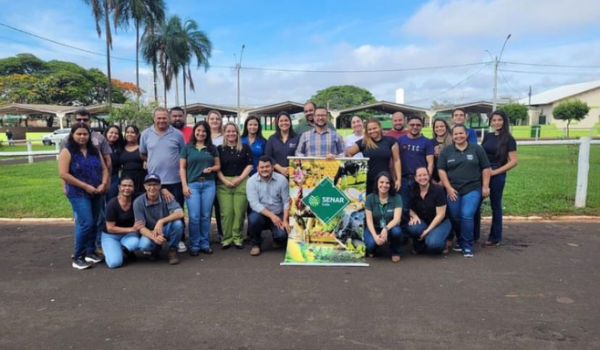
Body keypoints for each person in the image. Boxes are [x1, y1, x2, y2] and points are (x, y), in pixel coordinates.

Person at [58, 123, 109, 269]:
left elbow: (104, 169)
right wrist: (85, 186)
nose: (82, 137)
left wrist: (103, 184)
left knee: (94, 222)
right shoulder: (67, 151)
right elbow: (63, 174)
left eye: (85, 134)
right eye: (79, 134)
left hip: (96, 192)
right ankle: (78, 256)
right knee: (85, 223)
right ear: (72, 135)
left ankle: (90, 251)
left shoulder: (94, 151)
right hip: (78, 193)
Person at [438, 124, 491, 258]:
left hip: (472, 188)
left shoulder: (477, 149)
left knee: (466, 215)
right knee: (455, 217)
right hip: (453, 190)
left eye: (461, 133)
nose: (458, 136)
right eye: (455, 134)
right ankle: (461, 239)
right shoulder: (446, 151)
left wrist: (485, 186)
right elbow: (441, 170)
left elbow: (485, 168)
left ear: (466, 134)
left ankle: (467, 245)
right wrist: (448, 188)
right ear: (452, 136)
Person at [139, 107, 187, 252]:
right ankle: (155, 241)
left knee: (176, 212)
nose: (161, 121)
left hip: (175, 181)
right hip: (154, 182)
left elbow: (183, 155)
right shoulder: (146, 134)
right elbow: (143, 153)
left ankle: (179, 240)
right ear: (154, 118)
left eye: (164, 118)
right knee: (155, 213)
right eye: (158, 118)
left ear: (169, 118)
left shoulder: (177, 134)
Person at [180, 121, 221, 256]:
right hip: (193, 185)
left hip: (209, 184)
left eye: (204, 131)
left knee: (205, 216)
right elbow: (182, 168)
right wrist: (184, 185)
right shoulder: (187, 148)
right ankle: (194, 244)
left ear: (207, 133)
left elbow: (217, 166)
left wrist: (211, 169)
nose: (201, 133)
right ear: (194, 132)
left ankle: (204, 242)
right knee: (194, 216)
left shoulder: (212, 148)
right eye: (198, 130)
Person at [480, 110, 518, 247]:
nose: (496, 122)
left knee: (495, 205)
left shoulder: (508, 139)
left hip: (497, 172)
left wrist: (494, 173)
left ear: (504, 121)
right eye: (494, 120)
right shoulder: (488, 136)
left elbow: (513, 161)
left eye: (499, 120)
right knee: (475, 203)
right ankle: (472, 235)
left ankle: (495, 237)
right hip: (483, 171)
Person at [217, 122, 253, 249]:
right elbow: (217, 167)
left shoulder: (245, 148)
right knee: (227, 212)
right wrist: (225, 181)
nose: (231, 134)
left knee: (239, 211)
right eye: (228, 131)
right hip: (223, 183)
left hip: (241, 181)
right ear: (224, 133)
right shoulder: (219, 149)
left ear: (237, 133)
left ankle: (237, 237)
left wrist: (240, 178)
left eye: (234, 131)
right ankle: (227, 238)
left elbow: (250, 164)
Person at [134, 174, 184, 265]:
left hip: (165, 229)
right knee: (144, 246)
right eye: (149, 185)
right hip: (150, 231)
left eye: (155, 184)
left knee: (178, 224)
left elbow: (180, 213)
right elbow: (140, 227)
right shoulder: (138, 202)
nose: (152, 187)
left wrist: (161, 221)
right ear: (145, 186)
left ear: (160, 186)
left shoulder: (166, 196)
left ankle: (172, 251)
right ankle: (155, 249)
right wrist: (154, 237)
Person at [246, 156, 290, 256]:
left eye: (267, 167)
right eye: (262, 167)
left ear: (273, 167)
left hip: (278, 213)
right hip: (260, 214)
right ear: (257, 168)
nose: (264, 169)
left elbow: (286, 201)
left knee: (283, 235)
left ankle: (277, 239)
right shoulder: (251, 181)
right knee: (253, 219)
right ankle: (256, 244)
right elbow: (254, 204)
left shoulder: (282, 180)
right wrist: (272, 216)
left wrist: (286, 220)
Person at [397, 116, 435, 233]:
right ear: (407, 125)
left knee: (419, 206)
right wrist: (396, 178)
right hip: (404, 179)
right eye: (412, 124)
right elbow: (396, 161)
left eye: (418, 125)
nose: (415, 127)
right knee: (403, 207)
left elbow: (430, 162)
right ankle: (404, 234)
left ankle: (418, 233)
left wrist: (427, 178)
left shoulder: (427, 142)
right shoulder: (400, 141)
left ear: (421, 126)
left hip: (420, 180)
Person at [346, 118, 401, 194]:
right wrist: (354, 168)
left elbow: (396, 160)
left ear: (380, 127)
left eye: (374, 128)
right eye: (369, 129)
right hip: (368, 181)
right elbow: (349, 153)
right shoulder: (364, 142)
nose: (372, 131)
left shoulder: (391, 141)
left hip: (385, 181)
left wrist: (398, 179)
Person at [405, 167, 452, 255]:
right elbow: (409, 208)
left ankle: (442, 244)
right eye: (419, 175)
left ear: (429, 176)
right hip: (424, 222)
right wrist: (414, 215)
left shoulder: (438, 190)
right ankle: (423, 242)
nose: (422, 178)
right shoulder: (413, 190)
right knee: (411, 227)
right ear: (415, 178)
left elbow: (440, 215)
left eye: (424, 175)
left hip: (441, 222)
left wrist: (427, 231)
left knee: (433, 243)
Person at [101, 176, 144, 269]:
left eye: (130, 186)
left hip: (128, 235)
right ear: (119, 187)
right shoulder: (112, 204)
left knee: (134, 244)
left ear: (134, 188)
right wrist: (132, 229)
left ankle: (125, 249)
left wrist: (164, 190)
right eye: (124, 185)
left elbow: (151, 192)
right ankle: (114, 248)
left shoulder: (137, 198)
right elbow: (110, 228)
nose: (127, 188)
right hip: (111, 235)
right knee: (114, 263)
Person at [364, 172, 403, 262]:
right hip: (374, 228)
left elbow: (397, 219)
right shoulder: (370, 198)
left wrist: (385, 229)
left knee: (397, 232)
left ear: (391, 184)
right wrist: (375, 236)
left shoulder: (397, 197)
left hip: (390, 228)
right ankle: (374, 249)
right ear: (377, 183)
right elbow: (369, 220)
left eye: (387, 183)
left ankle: (395, 252)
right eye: (381, 182)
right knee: (371, 244)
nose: (384, 185)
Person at [265, 111, 300, 177]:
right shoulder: (272, 138)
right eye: (281, 121)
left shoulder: (297, 138)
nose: (284, 123)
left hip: (295, 175)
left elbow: (300, 155)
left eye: (286, 120)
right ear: (278, 123)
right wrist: (281, 169)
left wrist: (291, 169)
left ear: (290, 122)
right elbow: (268, 156)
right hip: (276, 175)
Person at [207, 110, 224, 240]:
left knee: (219, 206)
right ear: (208, 120)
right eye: (212, 119)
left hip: (222, 176)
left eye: (217, 119)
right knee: (207, 207)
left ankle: (221, 233)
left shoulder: (224, 137)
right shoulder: (203, 136)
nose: (214, 121)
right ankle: (205, 234)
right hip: (207, 176)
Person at [120, 125, 147, 196]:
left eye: (132, 132)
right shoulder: (121, 147)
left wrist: (146, 160)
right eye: (127, 132)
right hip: (125, 179)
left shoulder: (142, 147)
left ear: (137, 135)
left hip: (140, 178)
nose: (129, 134)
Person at [104, 125, 125, 201]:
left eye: (116, 133)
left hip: (114, 177)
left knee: (111, 200)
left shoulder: (121, 147)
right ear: (106, 133)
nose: (113, 135)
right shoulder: (99, 146)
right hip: (99, 177)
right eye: (111, 132)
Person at [431, 118, 453, 184]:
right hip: (434, 179)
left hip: (450, 178)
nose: (439, 128)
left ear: (446, 127)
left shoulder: (453, 142)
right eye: (436, 127)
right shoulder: (430, 142)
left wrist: (444, 180)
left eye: (442, 126)